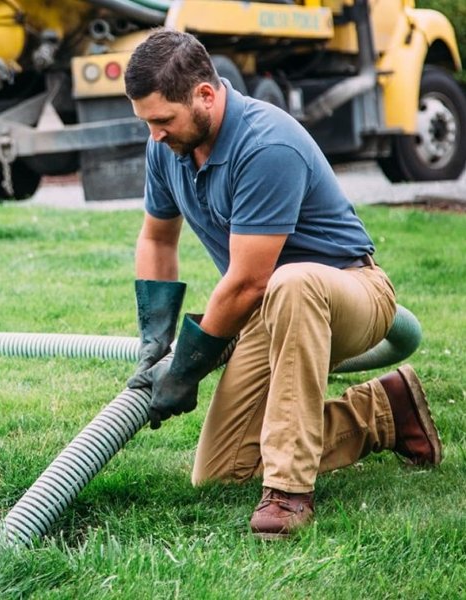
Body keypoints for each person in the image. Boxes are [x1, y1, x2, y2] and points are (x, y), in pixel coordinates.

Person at [122, 29, 442, 539]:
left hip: (347, 291)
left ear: (206, 94)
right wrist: (155, 338)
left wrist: (187, 367)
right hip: (270, 311)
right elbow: (157, 240)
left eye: (163, 120)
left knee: (290, 282)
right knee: (221, 472)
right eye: (147, 122)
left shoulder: (266, 143)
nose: (155, 134)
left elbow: (249, 280)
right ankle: (384, 412)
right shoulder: (167, 146)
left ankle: (289, 492)